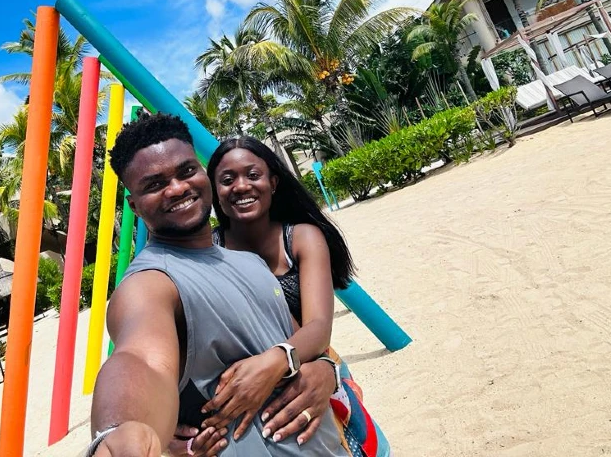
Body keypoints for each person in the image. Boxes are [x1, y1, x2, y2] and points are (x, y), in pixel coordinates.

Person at [88, 114, 348, 457]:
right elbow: (140, 357)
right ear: (134, 206)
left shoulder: (247, 261)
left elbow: (298, 338)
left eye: (186, 171)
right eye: (154, 184)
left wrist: (324, 368)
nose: (178, 188)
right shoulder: (151, 282)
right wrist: (120, 430)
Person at [171, 136, 393, 457]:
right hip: (244, 387)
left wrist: (276, 361)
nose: (241, 186)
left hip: (310, 363)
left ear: (273, 182)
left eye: (253, 175)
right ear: (214, 190)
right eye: (227, 180)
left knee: (353, 443)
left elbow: (317, 326)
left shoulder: (300, 237)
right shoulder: (210, 251)